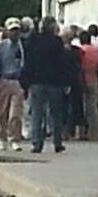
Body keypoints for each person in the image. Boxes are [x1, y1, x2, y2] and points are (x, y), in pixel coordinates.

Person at [24, 16, 67, 154]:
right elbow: (62, 64)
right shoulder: (57, 42)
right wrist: (65, 81)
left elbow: (28, 62)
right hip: (54, 82)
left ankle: (37, 143)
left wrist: (26, 81)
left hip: (37, 81)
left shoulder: (33, 40)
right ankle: (57, 142)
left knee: (37, 113)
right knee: (55, 114)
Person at [0, 18, 25, 151]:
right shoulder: (1, 46)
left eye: (17, 31)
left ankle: (14, 138)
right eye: (12, 31)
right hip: (4, 80)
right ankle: (2, 138)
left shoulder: (22, 46)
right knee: (2, 112)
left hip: (17, 81)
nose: (15, 34)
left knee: (16, 113)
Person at [61, 30, 85, 140]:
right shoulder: (77, 51)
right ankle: (76, 132)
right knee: (76, 107)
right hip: (76, 81)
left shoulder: (63, 52)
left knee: (65, 107)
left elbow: (66, 68)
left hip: (67, 81)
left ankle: (65, 131)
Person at [79, 31, 98, 141]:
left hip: (83, 80)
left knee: (82, 107)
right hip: (94, 79)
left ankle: (81, 133)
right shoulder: (95, 50)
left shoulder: (81, 50)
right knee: (93, 108)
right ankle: (94, 133)